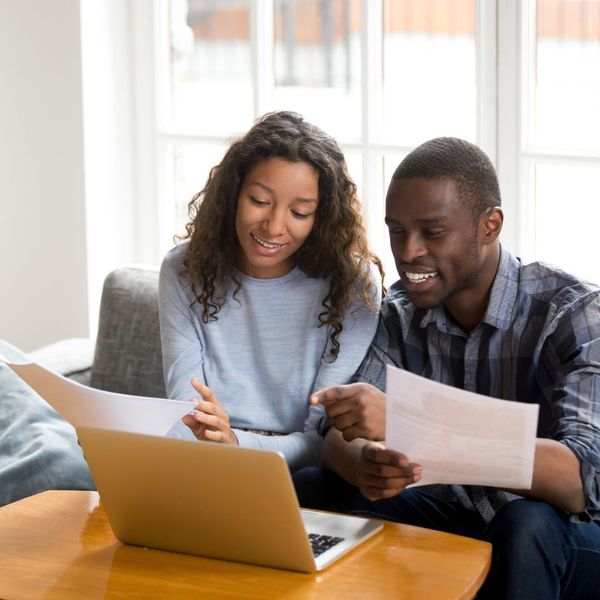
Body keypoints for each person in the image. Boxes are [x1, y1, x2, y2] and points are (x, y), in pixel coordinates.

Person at [293, 137, 600, 598]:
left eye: (432, 232)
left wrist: (414, 426)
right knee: (316, 486)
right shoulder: (399, 312)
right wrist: (366, 465)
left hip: (564, 534)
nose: (409, 251)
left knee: (526, 523)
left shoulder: (572, 312)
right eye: (397, 230)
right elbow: (336, 436)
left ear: (489, 225)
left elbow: (581, 479)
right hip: (458, 518)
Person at [158, 110, 383, 472]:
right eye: (259, 202)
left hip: (295, 471)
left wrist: (234, 443)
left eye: (299, 212)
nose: (274, 226)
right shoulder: (184, 269)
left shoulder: (353, 284)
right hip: (203, 461)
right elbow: (186, 412)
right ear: (233, 194)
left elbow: (319, 441)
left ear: (321, 217)